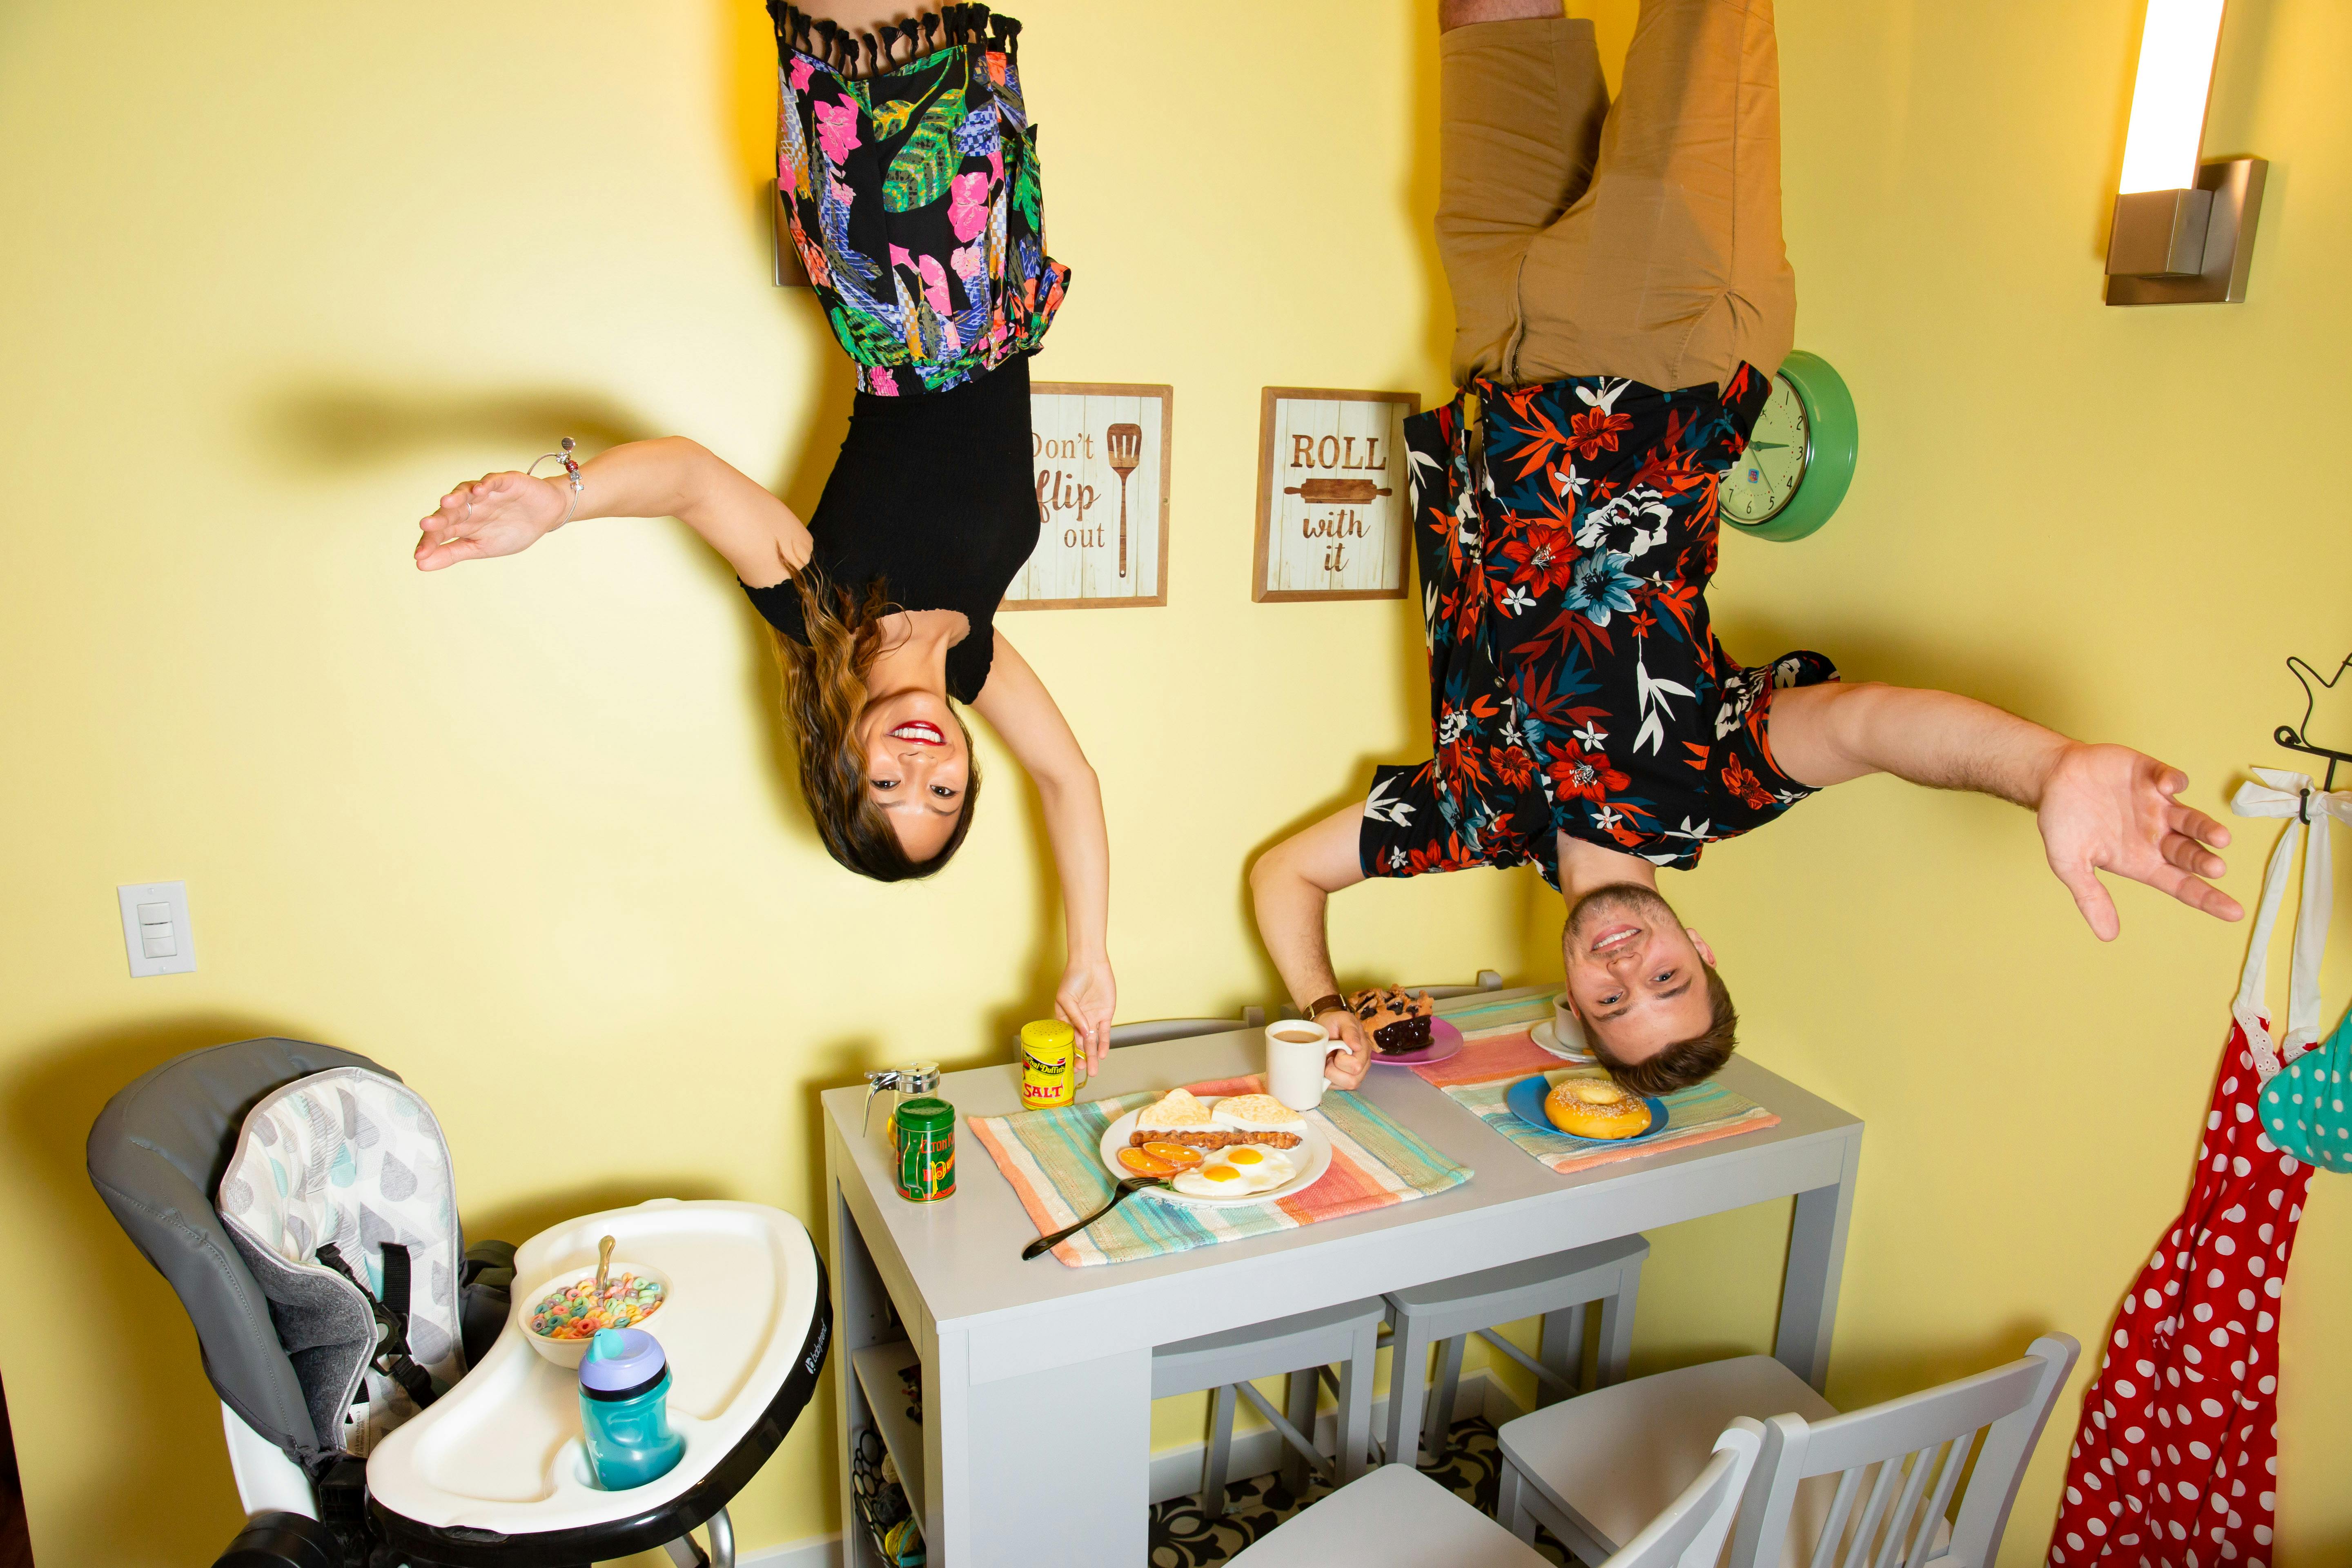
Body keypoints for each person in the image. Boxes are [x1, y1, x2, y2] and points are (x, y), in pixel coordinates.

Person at [1250, 0, 2243, 1099]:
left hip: (1499, 348)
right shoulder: (1704, 785)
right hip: (1664, 342)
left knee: (1487, 15)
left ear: (1574, 1006)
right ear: (1702, 950)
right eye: (1670, 980)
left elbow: (1285, 875)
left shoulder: (1472, 816)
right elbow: (1873, 727)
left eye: (1614, 1003)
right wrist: (2046, 768)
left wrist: (1325, 1012)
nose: (1629, 969)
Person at [409, 2, 1115, 1064]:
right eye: (944, 793)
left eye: (887, 787)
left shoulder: (819, 608)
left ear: (841, 760)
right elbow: (1070, 780)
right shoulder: (969, 658)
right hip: (993, 272)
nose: (921, 767)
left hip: (907, 243)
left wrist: (561, 501)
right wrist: (1090, 954)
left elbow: (692, 482)